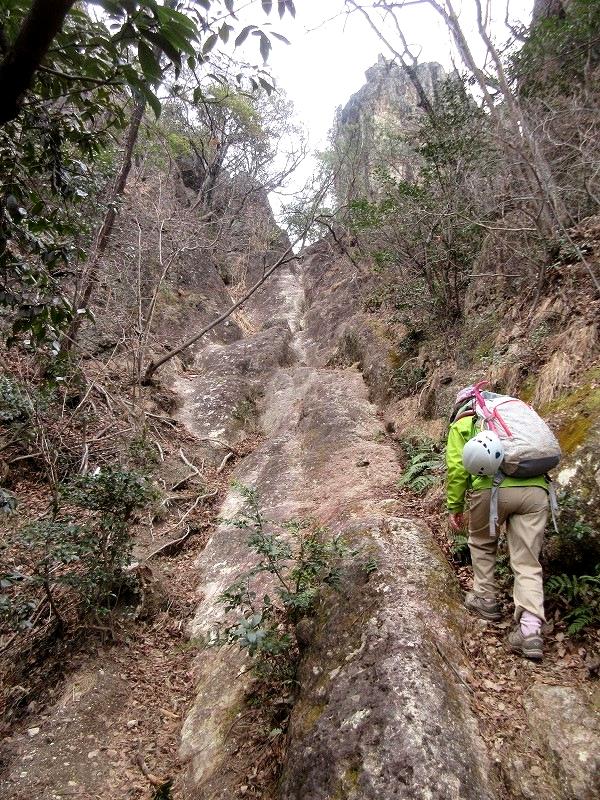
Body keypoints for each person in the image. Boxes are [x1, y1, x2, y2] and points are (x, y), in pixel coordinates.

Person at [446, 385, 549, 660]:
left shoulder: (465, 422)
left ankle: (485, 598)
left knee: (481, 542)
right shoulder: (513, 414)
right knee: (527, 561)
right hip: (537, 490)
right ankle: (530, 630)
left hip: (491, 490)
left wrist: (455, 507)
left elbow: (457, 469)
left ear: (462, 404)